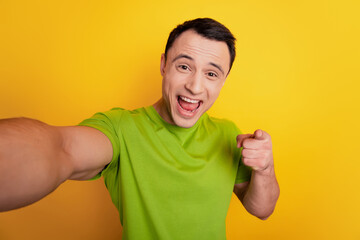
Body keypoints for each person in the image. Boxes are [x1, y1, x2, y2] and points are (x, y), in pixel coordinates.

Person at [0, 18, 279, 239]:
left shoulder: (228, 134)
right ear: (163, 65)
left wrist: (265, 169)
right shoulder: (122, 129)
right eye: (184, 66)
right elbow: (62, 149)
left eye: (211, 74)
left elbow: (261, 209)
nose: (195, 86)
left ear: (222, 81)